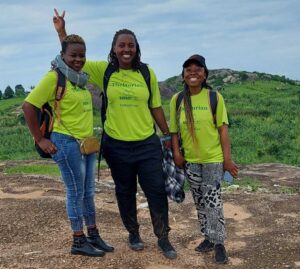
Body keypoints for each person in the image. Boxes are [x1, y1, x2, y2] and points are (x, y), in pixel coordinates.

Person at [52, 10, 177, 260]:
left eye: (131, 45)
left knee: (156, 191)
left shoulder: (146, 73)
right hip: (117, 146)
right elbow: (72, 59)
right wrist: (62, 33)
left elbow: (155, 106)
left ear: (136, 48)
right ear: (114, 48)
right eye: (122, 45)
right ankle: (133, 233)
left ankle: (163, 237)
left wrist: (169, 136)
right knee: (124, 191)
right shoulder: (104, 71)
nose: (126, 49)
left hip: (146, 143)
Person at [22, 34, 114, 257]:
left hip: (86, 142)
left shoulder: (80, 79)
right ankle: (78, 240)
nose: (78, 59)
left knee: (88, 192)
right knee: (75, 191)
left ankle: (93, 234)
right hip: (66, 142)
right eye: (73, 55)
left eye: (82, 55)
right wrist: (40, 139)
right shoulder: (54, 77)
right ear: (63, 55)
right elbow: (28, 106)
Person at [169, 54, 239, 264]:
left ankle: (219, 244)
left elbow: (223, 130)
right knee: (200, 202)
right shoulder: (178, 100)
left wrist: (227, 160)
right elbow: (174, 131)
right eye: (188, 69)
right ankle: (208, 237)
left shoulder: (214, 97)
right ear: (183, 75)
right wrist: (177, 153)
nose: (193, 72)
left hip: (212, 160)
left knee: (213, 201)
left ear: (205, 74)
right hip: (190, 160)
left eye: (198, 68)